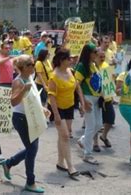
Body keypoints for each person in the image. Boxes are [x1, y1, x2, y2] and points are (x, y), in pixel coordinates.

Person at [2, 55, 47, 193]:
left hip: (32, 117)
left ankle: (9, 163)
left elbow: (33, 99)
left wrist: (43, 109)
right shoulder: (19, 81)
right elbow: (13, 101)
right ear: (24, 67)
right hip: (21, 118)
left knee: (31, 148)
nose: (34, 66)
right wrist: (23, 90)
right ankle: (30, 181)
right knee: (32, 149)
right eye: (31, 64)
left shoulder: (30, 79)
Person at [48, 48, 84, 180]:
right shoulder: (54, 76)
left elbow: (77, 86)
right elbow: (51, 97)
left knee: (62, 135)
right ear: (62, 60)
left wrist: (81, 103)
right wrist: (56, 115)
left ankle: (60, 162)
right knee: (66, 136)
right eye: (69, 59)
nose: (72, 60)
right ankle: (70, 166)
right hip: (57, 108)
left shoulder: (70, 71)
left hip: (69, 107)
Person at [75, 43, 103, 164]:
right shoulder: (82, 66)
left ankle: (83, 140)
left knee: (98, 124)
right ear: (89, 53)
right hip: (88, 98)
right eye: (94, 52)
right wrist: (83, 101)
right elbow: (77, 84)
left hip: (97, 99)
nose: (96, 54)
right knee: (91, 126)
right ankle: (87, 154)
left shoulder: (93, 65)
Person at [96, 48, 115, 150]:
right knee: (96, 122)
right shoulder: (93, 67)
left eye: (104, 56)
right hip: (96, 98)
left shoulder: (106, 66)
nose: (102, 58)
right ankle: (95, 143)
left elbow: (110, 81)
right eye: (100, 57)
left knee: (110, 119)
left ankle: (104, 136)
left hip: (107, 98)